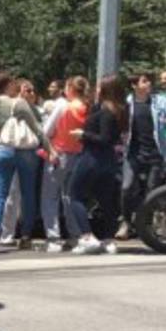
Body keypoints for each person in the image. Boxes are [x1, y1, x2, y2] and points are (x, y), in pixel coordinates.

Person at [0, 71, 47, 253]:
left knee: (0, 193)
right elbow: (38, 126)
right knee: (27, 193)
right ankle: (25, 235)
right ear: (7, 86)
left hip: (1, 148)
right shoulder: (18, 103)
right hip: (25, 150)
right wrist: (50, 149)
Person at [68, 75, 127, 255]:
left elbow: (104, 138)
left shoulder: (105, 112)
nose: (97, 89)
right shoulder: (120, 111)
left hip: (92, 157)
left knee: (74, 195)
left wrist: (82, 134)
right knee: (106, 200)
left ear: (107, 90)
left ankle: (87, 237)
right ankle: (108, 240)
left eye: (100, 87)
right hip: (108, 161)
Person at [44, 76, 89, 250]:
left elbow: (47, 131)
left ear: (70, 89)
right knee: (71, 195)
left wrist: (51, 149)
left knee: (50, 196)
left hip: (60, 154)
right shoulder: (87, 108)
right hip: (79, 155)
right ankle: (76, 234)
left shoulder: (65, 107)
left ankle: (53, 238)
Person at [120, 73, 166, 240]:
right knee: (127, 187)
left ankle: (144, 227)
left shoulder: (159, 102)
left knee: (151, 192)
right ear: (134, 85)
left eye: (148, 81)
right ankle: (125, 222)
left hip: (155, 153)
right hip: (133, 153)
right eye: (144, 81)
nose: (148, 84)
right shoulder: (127, 104)